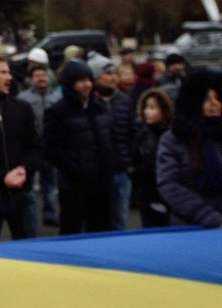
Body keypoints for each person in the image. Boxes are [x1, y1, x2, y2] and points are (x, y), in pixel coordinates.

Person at [0, 56, 43, 240]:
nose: (9, 77)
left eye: (9, 72)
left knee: (29, 253)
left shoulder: (21, 108)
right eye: (3, 72)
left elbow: (36, 147)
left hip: (22, 195)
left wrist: (24, 170)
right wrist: (1, 177)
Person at [44, 60, 115, 235]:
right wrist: (76, 170)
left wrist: (112, 165)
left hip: (102, 186)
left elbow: (111, 139)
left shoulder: (101, 107)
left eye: (89, 80)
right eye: (81, 81)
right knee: (71, 232)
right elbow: (52, 149)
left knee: (102, 234)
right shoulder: (57, 112)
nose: (87, 85)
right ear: (70, 83)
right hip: (74, 188)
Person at [156, 68, 222, 228]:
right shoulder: (174, 139)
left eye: (218, 98)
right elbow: (169, 184)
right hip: (191, 225)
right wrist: (208, 216)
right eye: (207, 99)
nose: (215, 104)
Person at [89, 53, 135, 229]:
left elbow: (133, 133)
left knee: (119, 220)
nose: (113, 78)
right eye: (107, 73)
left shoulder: (124, 100)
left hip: (121, 169)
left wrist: (129, 160)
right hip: (97, 174)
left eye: (114, 73)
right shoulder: (89, 103)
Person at [17, 63, 60, 227]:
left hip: (51, 147)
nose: (41, 78)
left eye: (44, 75)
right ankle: (30, 217)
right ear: (31, 79)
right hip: (31, 148)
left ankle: (49, 214)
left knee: (50, 183)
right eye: (37, 76)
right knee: (29, 184)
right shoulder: (23, 98)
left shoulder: (56, 97)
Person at [132, 89, 172, 228]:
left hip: (166, 196)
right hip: (147, 195)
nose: (146, 111)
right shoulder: (142, 134)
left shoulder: (171, 136)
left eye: (152, 107)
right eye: (145, 107)